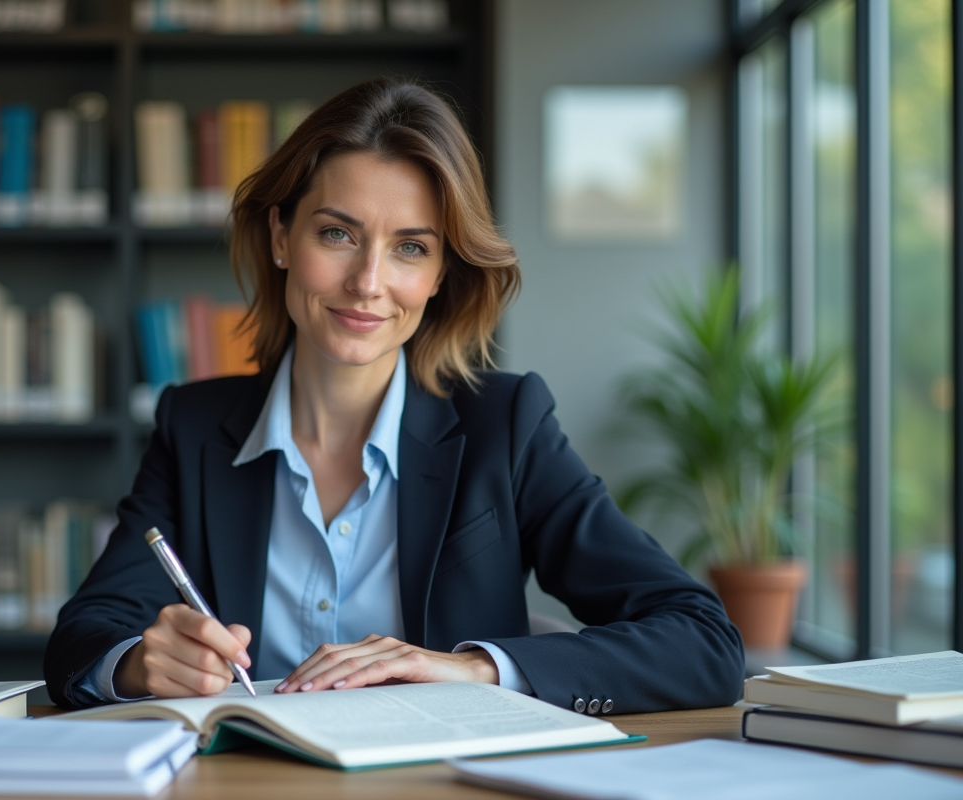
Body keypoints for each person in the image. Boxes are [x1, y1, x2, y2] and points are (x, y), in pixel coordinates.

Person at [44, 78, 744, 714]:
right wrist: (138, 664)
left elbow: (703, 641)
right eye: (337, 234)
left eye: (410, 247)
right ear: (282, 236)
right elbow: (82, 637)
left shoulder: (507, 425)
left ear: (441, 272)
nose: (368, 282)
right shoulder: (193, 425)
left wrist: (472, 668)